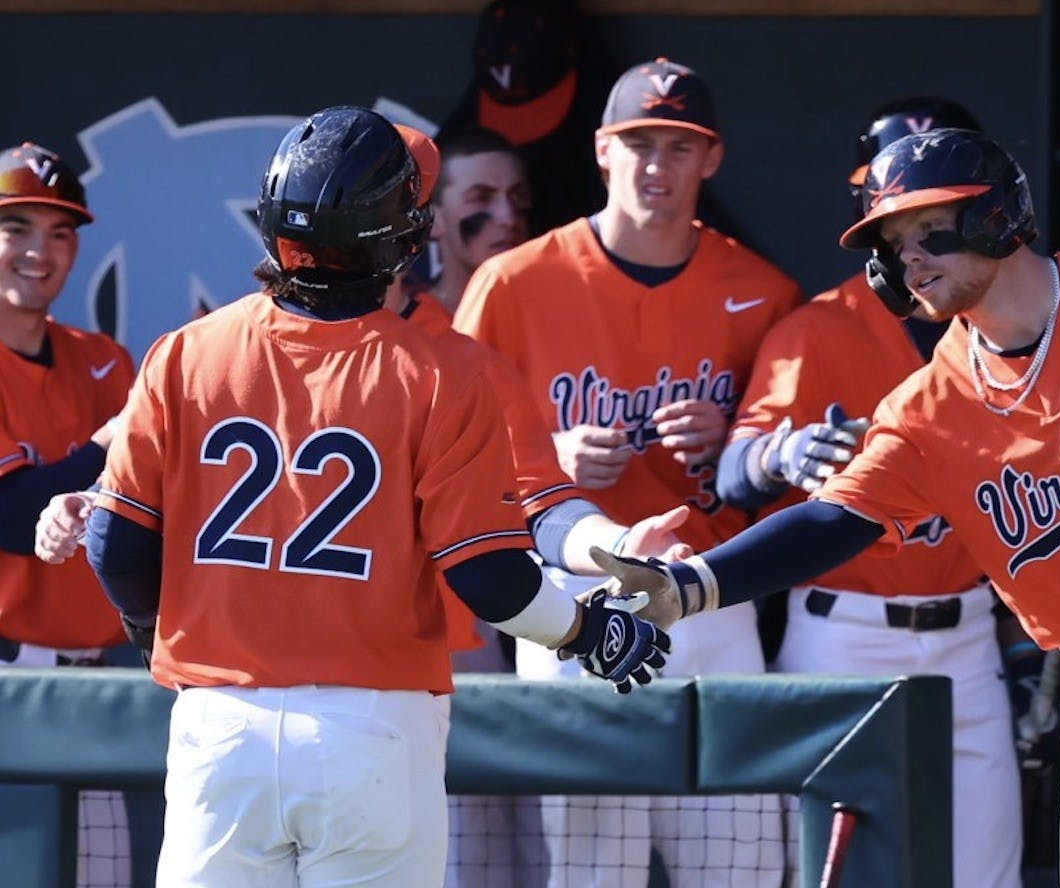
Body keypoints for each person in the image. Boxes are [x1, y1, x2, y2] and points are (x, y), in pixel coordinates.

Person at [590, 127, 1060, 887]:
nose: (910, 258)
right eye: (894, 246)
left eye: (930, 231)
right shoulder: (929, 405)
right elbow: (831, 520)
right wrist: (690, 585)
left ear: (998, 216)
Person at [83, 106, 669, 887]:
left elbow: (115, 546)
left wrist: (146, 614)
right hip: (372, 730)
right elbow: (489, 576)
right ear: (402, 236)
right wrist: (585, 631)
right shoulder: (441, 371)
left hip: (219, 726)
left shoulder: (187, 352)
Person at [452, 57, 802, 888]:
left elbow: (783, 462)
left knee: (741, 863)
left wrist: (734, 438)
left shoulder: (763, 290)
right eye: (640, 142)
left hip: (713, 589)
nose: (658, 165)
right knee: (589, 867)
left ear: (710, 159)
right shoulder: (513, 283)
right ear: (604, 150)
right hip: (575, 604)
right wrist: (551, 463)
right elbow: (453, 457)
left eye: (680, 146)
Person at [713, 97, 1026, 888]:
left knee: (986, 873)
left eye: (942, 209)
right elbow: (731, 475)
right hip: (842, 634)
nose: (920, 235)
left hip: (970, 638)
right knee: (830, 875)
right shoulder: (818, 327)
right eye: (900, 210)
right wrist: (780, 452)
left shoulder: (1020, 324)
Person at [0, 141, 136, 888]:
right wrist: (108, 445)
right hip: (8, 688)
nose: (38, 250)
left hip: (96, 688)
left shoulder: (106, 360)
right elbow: (13, 515)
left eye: (58, 232)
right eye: (16, 226)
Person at [425, 127, 532, 315]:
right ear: (433, 219)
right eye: (481, 198)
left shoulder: (557, 311)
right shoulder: (412, 331)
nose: (508, 218)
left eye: (518, 196)